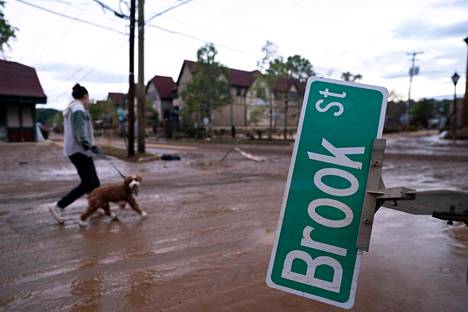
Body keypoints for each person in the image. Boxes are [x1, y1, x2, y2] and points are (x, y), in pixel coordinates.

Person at [49, 83, 100, 225]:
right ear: (85, 97)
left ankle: (97, 206)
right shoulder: (78, 108)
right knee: (87, 183)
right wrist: (88, 145)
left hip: (81, 150)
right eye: (88, 98)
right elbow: (79, 131)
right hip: (79, 151)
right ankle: (58, 206)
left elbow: (82, 130)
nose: (89, 102)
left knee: (94, 182)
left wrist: (91, 146)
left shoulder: (72, 107)